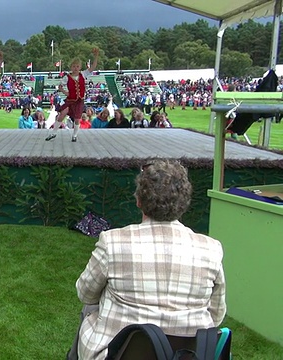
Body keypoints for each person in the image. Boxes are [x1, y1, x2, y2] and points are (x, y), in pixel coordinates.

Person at [68, 159, 226, 360]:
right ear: (184, 203)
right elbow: (216, 314)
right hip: (187, 355)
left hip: (117, 354)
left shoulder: (113, 242)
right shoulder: (211, 249)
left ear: (138, 200)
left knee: (90, 307)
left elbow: (85, 293)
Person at [46, 48, 99, 142]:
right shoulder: (67, 77)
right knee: (62, 113)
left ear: (80, 67)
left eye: (77, 66)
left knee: (77, 118)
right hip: (70, 99)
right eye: (74, 66)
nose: (75, 68)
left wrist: (96, 56)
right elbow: (60, 87)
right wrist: (66, 93)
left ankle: (74, 135)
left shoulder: (83, 74)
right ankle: (53, 132)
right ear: (71, 67)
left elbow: (93, 67)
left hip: (79, 100)